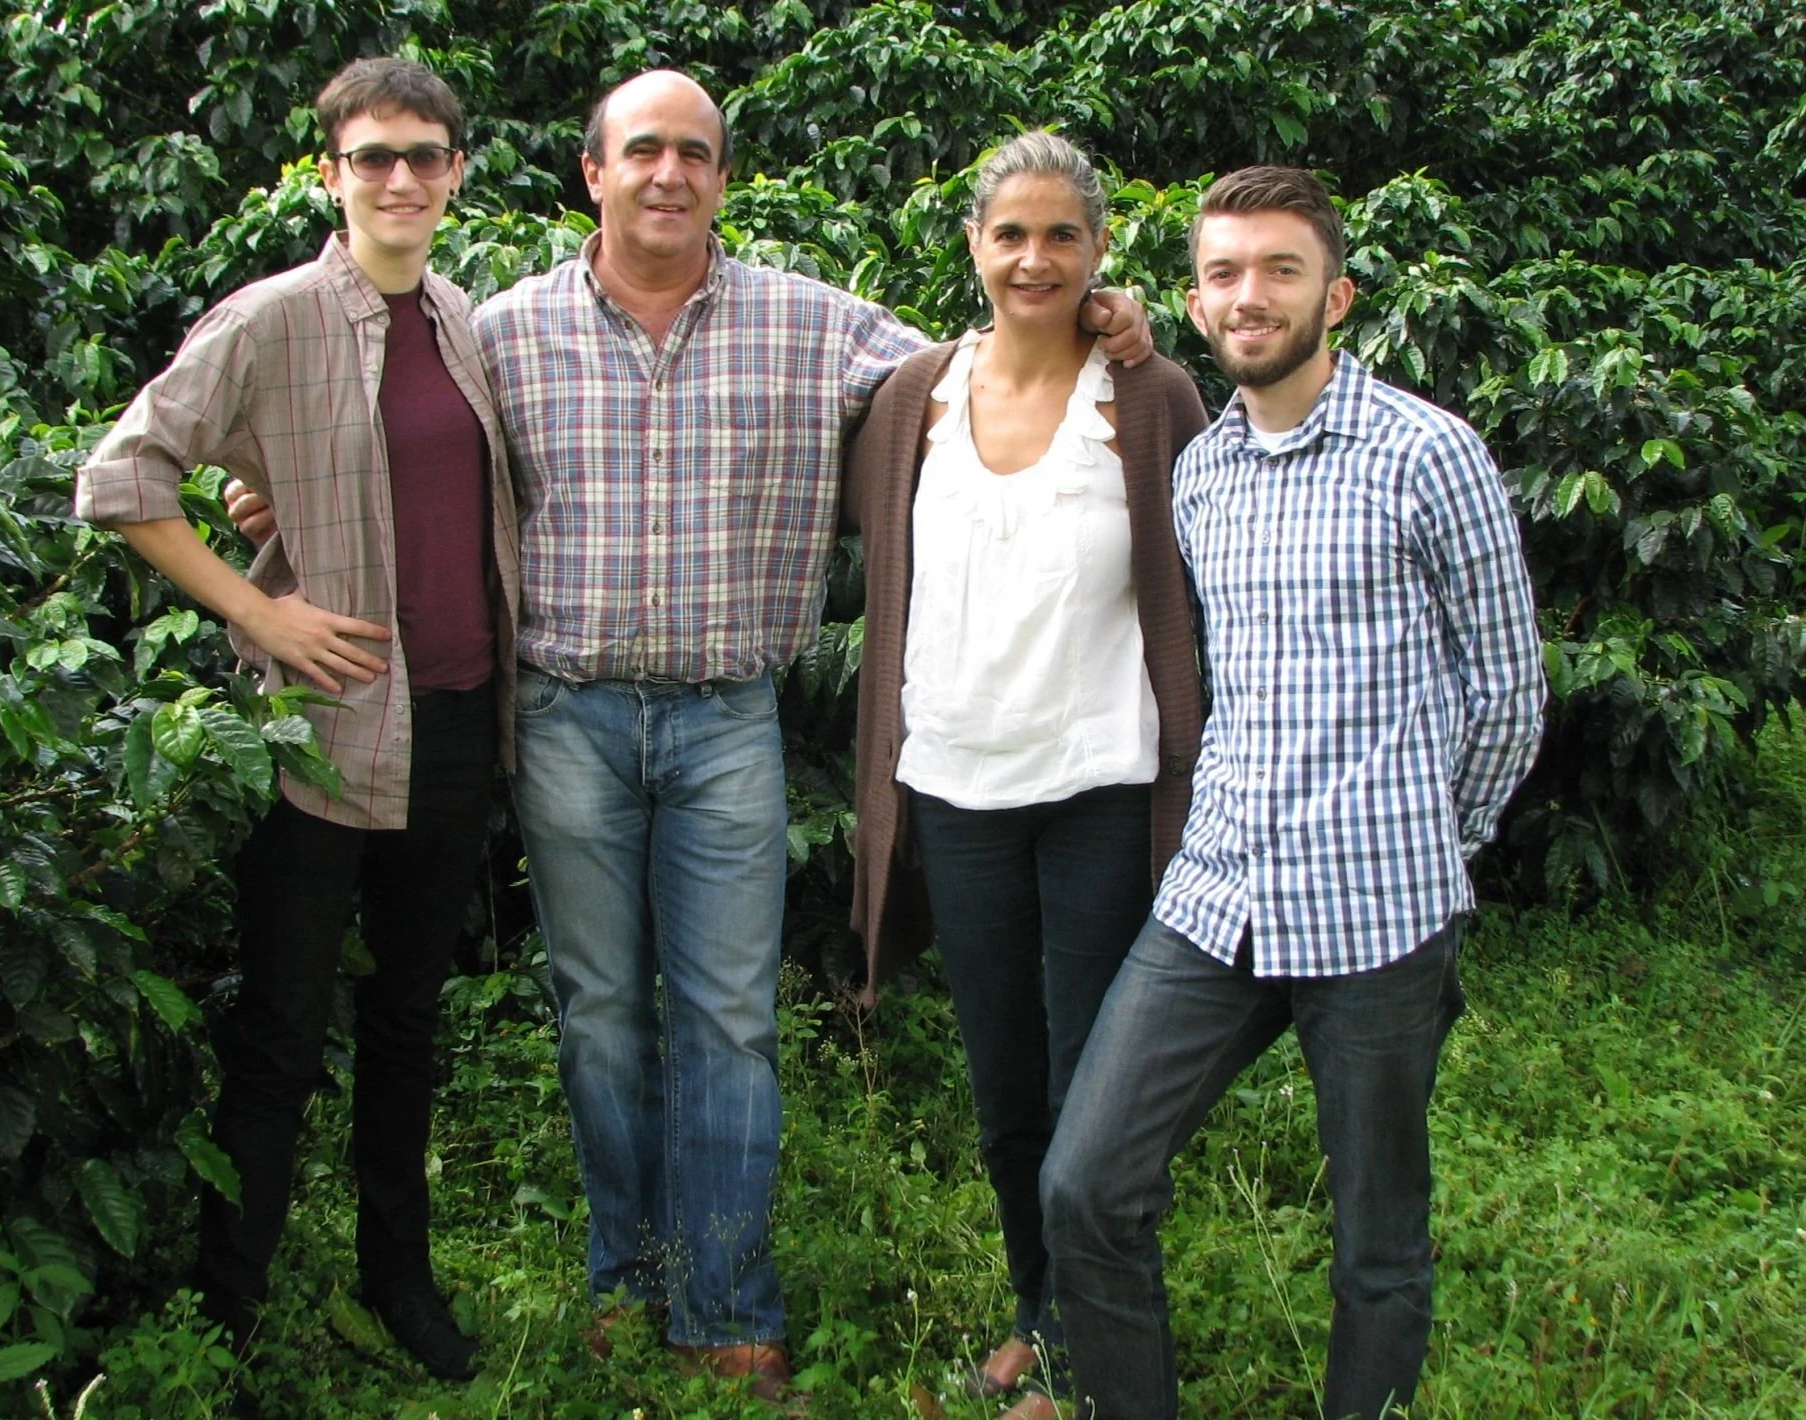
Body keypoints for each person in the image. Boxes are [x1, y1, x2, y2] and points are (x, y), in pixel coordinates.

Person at [467, 71, 1151, 1401]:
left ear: (723, 180)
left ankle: (726, 1299)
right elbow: (415, 449)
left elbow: (991, 368)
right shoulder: (501, 335)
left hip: (728, 717)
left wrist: (1102, 317)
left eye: (698, 154)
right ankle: (630, 1276)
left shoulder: (818, 326)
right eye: (645, 150)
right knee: (601, 1013)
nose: (671, 173)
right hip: (568, 715)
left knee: (728, 1017)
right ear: (592, 173)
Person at [1037, 166, 1546, 1420]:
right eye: (1222, 273)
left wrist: (1432, 839)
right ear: (1197, 301)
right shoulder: (1203, 475)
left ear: (1338, 292)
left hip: (1380, 909)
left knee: (1379, 1238)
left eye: (1279, 269)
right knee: (1086, 1184)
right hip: (1219, 895)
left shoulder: (1431, 455)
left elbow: (1509, 692)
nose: (1248, 296)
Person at [75, 57, 518, 1385]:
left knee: (407, 1027)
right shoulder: (270, 318)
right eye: (372, 156)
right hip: (317, 734)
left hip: (453, 726)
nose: (399, 179)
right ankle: (226, 1319)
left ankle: (400, 1284)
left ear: (454, 171)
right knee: (278, 1035)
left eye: (423, 155)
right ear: (331, 170)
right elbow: (125, 473)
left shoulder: (460, 318)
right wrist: (255, 613)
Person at [843, 132, 1207, 1417]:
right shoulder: (909, 401)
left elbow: (1209, 574)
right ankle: (1037, 1307)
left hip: (1100, 781)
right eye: (1011, 234)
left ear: (1102, 251)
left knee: (1088, 1091)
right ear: (974, 248)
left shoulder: (1150, 398)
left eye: (1063, 236)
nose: (1035, 258)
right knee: (1005, 1084)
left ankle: (1084, 1343)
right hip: (956, 785)